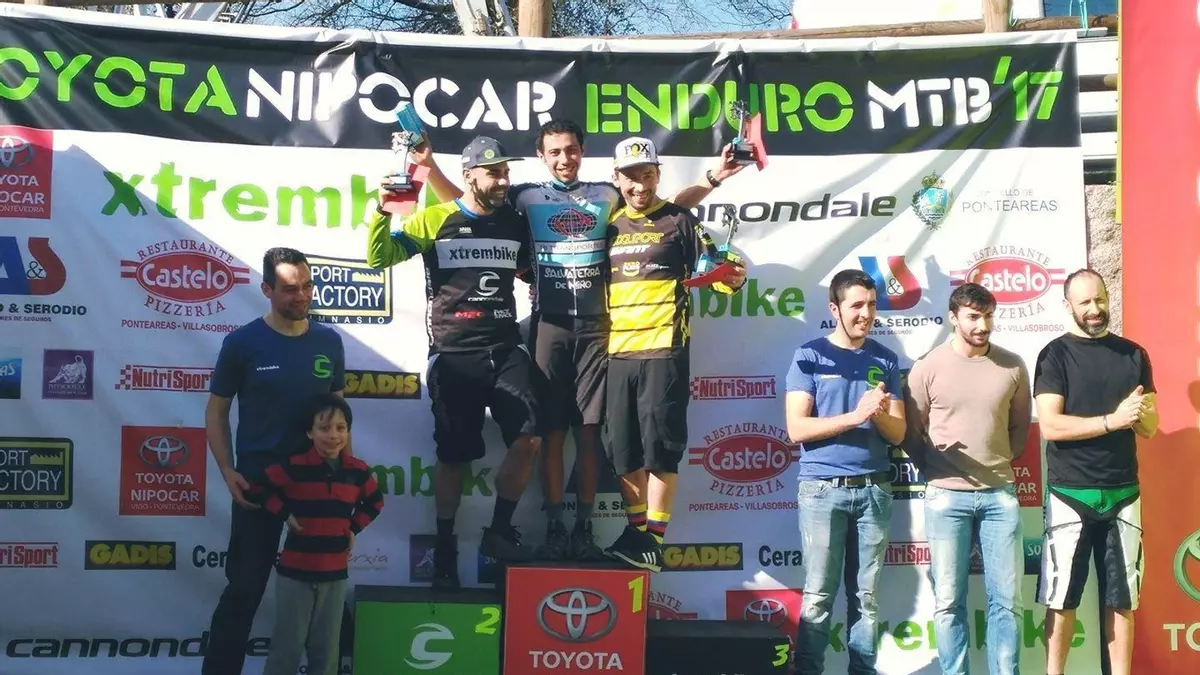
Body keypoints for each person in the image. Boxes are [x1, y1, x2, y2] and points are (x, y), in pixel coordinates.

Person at [416, 119, 749, 562]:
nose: (564, 159)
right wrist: (428, 166)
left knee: (589, 434)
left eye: (571, 150)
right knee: (550, 433)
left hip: (597, 327)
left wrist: (715, 176)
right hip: (549, 326)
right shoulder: (523, 195)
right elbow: (467, 204)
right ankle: (556, 526)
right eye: (554, 152)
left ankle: (585, 528)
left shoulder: (608, 193)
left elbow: (667, 208)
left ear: (583, 151)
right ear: (542, 156)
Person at [366, 135, 541, 592]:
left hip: (505, 347)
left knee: (529, 438)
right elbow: (379, 257)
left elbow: (530, 271)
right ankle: (445, 547)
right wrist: (382, 209)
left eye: (506, 172)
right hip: (453, 353)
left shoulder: (515, 223)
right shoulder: (434, 218)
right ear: (469, 176)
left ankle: (498, 531)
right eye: (494, 173)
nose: (503, 180)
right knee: (453, 458)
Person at [598, 136, 746, 572]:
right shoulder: (607, 223)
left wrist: (733, 277)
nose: (639, 186)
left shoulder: (678, 220)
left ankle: (655, 539)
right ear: (616, 179)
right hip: (616, 352)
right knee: (622, 450)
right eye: (630, 177)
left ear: (657, 175)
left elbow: (718, 271)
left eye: (647, 175)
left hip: (664, 350)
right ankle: (636, 533)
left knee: (660, 448)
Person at [200, 247, 346, 675]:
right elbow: (216, 412)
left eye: (307, 286)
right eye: (289, 289)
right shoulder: (242, 343)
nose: (301, 295)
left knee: (323, 590)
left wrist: (344, 483)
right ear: (266, 289)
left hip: (316, 486)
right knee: (244, 589)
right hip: (258, 484)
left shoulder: (329, 341)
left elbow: (338, 415)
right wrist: (228, 471)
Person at [1033, 269, 1158, 675]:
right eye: (1085, 302)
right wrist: (1113, 420)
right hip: (1070, 494)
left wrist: (1139, 414)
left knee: (1123, 601)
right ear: (1068, 305)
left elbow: (1151, 427)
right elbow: (1051, 426)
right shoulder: (1054, 355)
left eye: (1100, 299)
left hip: (1124, 493)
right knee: (1061, 600)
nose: (1094, 309)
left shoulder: (1134, 354)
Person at [784, 269, 906, 675]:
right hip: (822, 490)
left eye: (871, 305)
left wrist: (878, 413)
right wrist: (855, 416)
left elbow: (898, 432)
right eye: (856, 305)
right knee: (819, 595)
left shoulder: (885, 358)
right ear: (834, 309)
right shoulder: (809, 355)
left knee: (866, 598)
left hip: (875, 490)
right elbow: (796, 428)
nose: (866, 314)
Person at [905, 283, 1031, 675]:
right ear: (953, 318)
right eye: (974, 317)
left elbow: (1019, 428)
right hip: (946, 497)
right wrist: (934, 469)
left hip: (1000, 496)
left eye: (988, 316)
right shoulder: (928, 367)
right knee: (948, 603)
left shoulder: (1012, 365)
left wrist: (998, 461)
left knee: (1007, 602)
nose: (983, 325)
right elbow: (911, 431)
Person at [252, 394, 384, 675]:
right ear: (309, 432)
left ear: (348, 432)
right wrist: (285, 514)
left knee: (326, 651)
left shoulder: (357, 471)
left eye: (341, 428)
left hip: (335, 576)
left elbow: (375, 502)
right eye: (324, 428)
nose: (333, 435)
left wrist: (353, 527)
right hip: (294, 575)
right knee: (286, 649)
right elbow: (258, 488)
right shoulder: (293, 467)